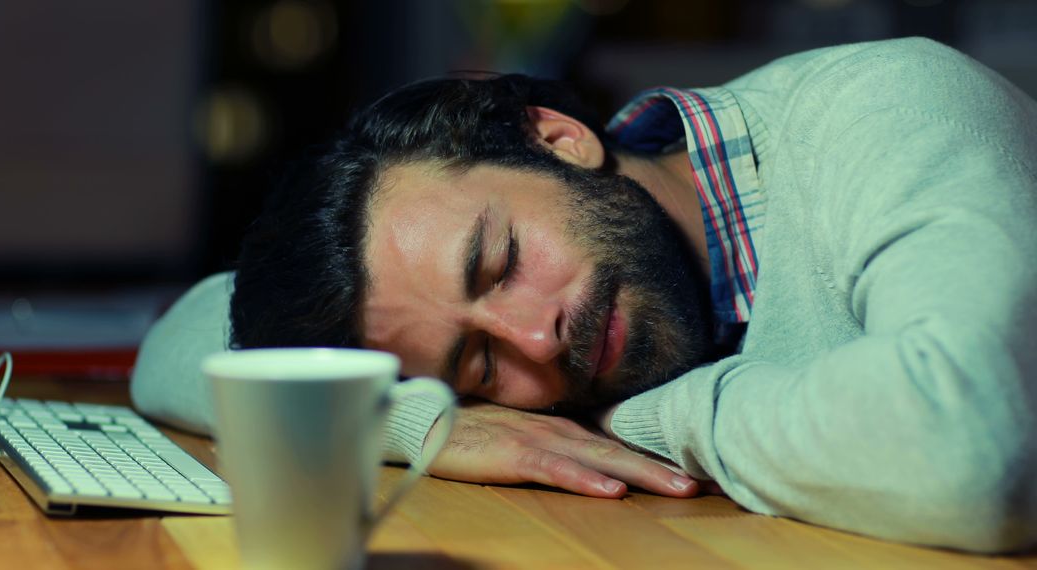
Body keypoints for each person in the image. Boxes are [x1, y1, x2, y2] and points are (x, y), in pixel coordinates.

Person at [131, 37, 1037, 553]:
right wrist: (425, 425)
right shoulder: (552, 331)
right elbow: (177, 341)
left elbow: (972, 452)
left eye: (498, 262)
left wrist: (636, 419)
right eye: (477, 365)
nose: (534, 337)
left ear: (558, 139)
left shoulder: (888, 108)